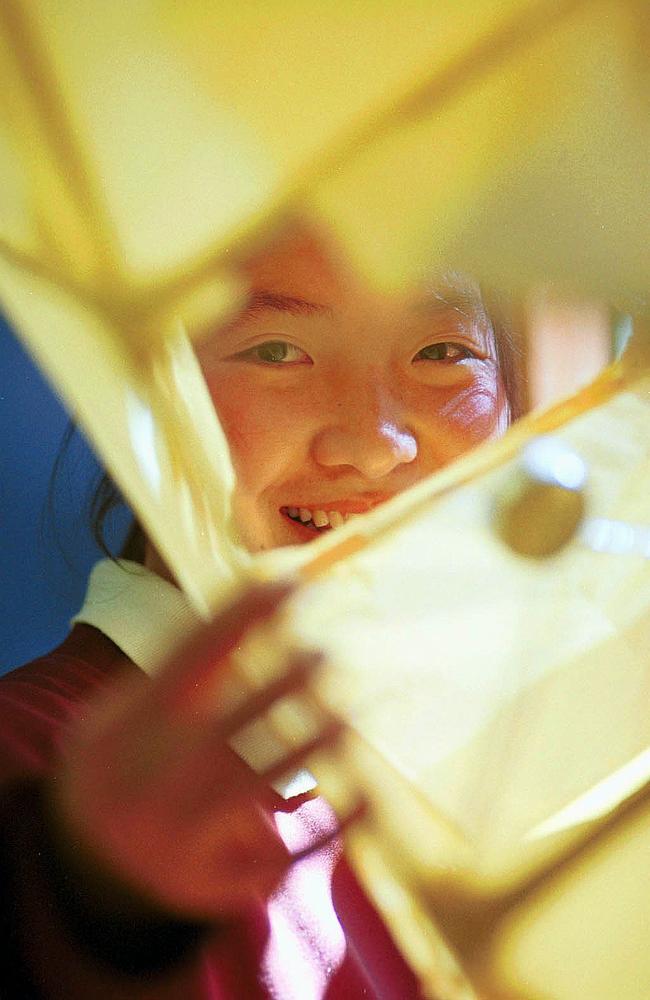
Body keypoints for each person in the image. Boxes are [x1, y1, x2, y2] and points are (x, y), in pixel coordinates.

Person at [0, 224, 521, 999]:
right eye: (277, 350)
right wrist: (98, 917)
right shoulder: (33, 783)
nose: (376, 446)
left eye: (442, 352)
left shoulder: (511, 762)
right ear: (136, 392)